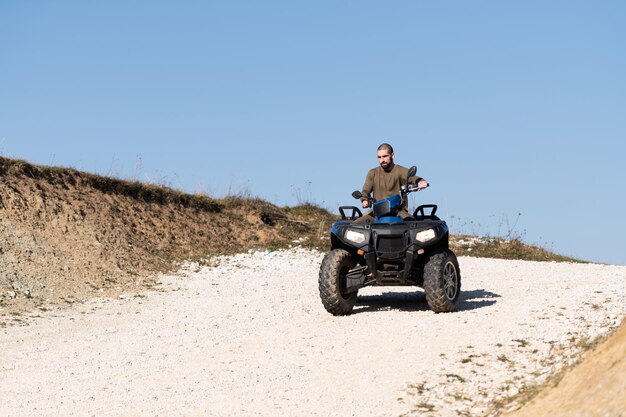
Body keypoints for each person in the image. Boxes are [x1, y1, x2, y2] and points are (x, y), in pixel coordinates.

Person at [353, 143, 428, 223]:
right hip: (377, 212)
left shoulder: (400, 171)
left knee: (412, 224)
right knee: (355, 226)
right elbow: (365, 191)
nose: (382, 160)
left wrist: (420, 181)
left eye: (385, 156)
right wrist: (364, 200)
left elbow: (411, 177)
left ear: (392, 155)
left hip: (398, 211)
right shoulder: (373, 173)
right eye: (379, 157)